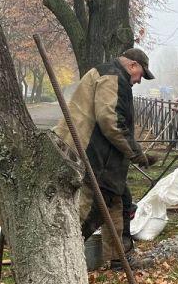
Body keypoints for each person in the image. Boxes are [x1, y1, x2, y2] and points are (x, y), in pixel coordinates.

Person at [53, 46, 158, 270]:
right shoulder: (113, 78)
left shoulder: (105, 72)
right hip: (93, 153)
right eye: (141, 74)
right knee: (93, 208)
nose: (139, 81)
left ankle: (120, 258)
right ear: (132, 65)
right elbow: (110, 120)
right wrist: (137, 154)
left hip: (92, 150)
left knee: (118, 202)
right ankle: (60, 258)